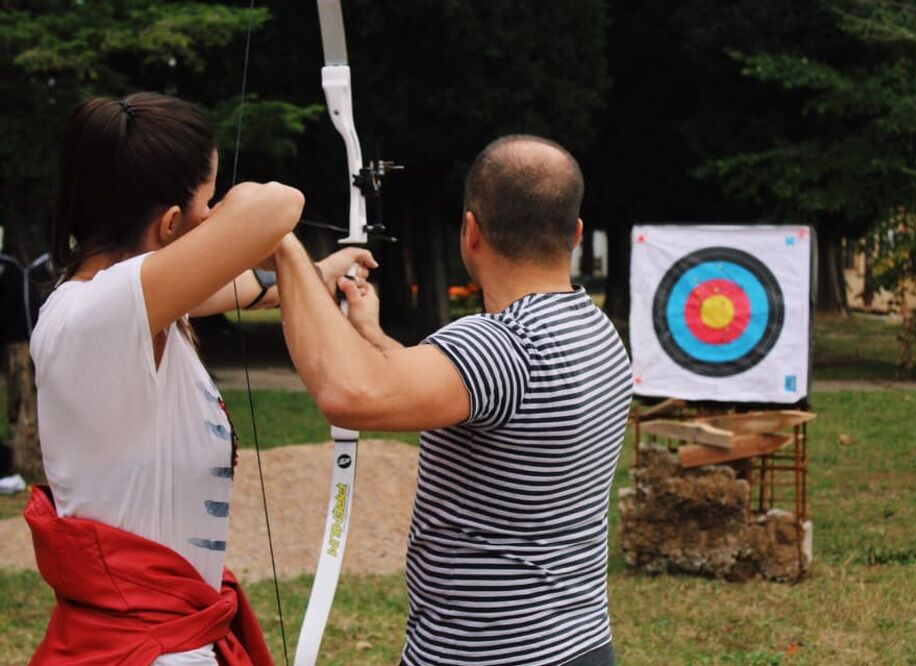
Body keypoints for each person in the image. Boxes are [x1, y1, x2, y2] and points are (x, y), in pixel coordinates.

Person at [27, 92, 373, 665]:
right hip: (142, 648)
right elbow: (279, 204)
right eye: (209, 202)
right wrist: (265, 233)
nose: (215, 216)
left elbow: (240, 286)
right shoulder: (99, 312)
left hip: (164, 635)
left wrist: (320, 272)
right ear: (169, 224)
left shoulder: (125, 306)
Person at [273, 135, 633, 665]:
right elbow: (463, 397)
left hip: (489, 655)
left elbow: (347, 394)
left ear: (470, 231)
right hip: (578, 646)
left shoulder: (501, 343)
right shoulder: (593, 330)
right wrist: (371, 335)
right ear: (576, 233)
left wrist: (286, 250)